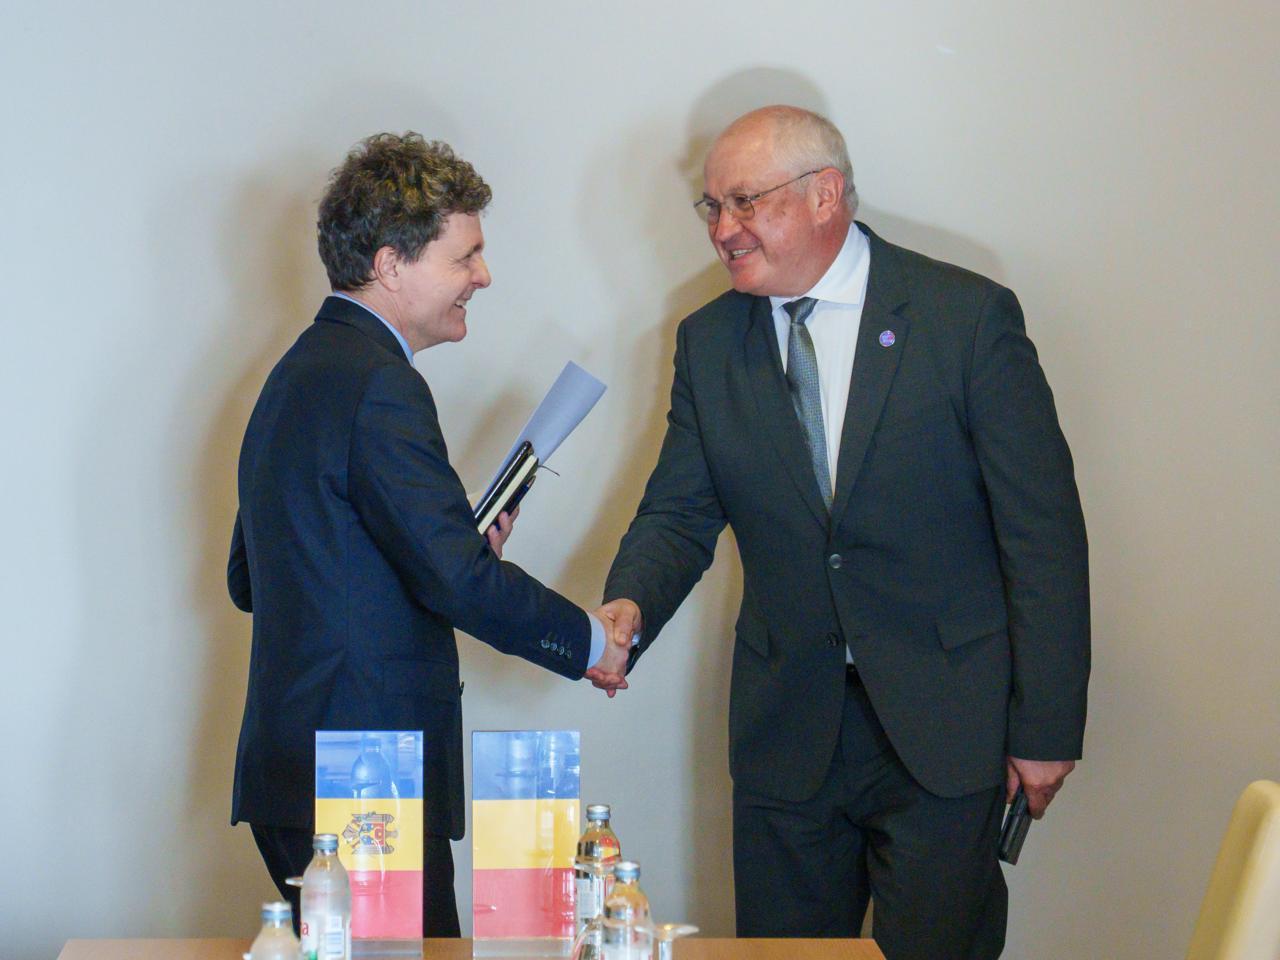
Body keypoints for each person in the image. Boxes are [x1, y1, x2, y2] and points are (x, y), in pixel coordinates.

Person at [589, 106, 1089, 959]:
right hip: (789, 731)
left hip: (944, 724)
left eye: (745, 202)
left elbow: (1041, 536)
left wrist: (1045, 729)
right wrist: (628, 607)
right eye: (712, 207)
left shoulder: (964, 317)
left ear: (825, 195)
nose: (723, 229)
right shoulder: (710, 342)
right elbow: (679, 510)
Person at [227, 132, 628, 935]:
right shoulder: (381, 385)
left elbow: (254, 577)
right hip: (364, 779)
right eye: (464, 256)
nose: (483, 276)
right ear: (389, 265)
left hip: (293, 771)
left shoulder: (295, 373)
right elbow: (456, 582)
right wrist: (591, 641)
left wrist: (440, 545)